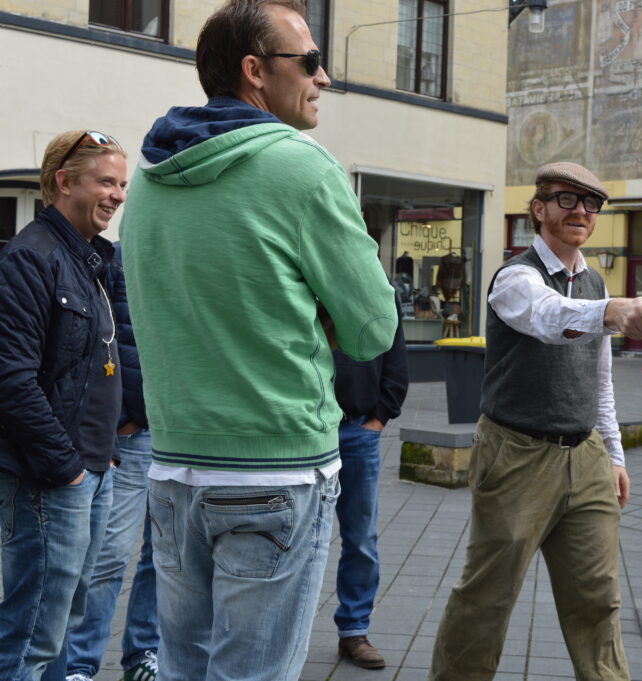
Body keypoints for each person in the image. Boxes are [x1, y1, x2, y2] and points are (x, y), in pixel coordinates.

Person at [118, 1, 399, 679]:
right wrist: (315, 309)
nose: (324, 77)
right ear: (255, 72)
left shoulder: (149, 183)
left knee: (184, 668)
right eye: (309, 61)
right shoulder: (304, 169)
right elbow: (374, 327)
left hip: (175, 468)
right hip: (275, 469)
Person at [429, 161, 642, 681]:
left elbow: (599, 383)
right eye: (566, 199)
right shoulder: (516, 276)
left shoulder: (597, 281)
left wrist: (615, 457)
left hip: (587, 456)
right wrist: (607, 313)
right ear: (538, 209)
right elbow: (548, 317)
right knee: (487, 598)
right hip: (516, 454)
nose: (580, 211)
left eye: (591, 204)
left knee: (598, 601)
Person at [0, 129, 127, 680]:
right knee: (32, 632)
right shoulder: (32, 257)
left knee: (62, 622)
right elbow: (11, 380)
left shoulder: (91, 260)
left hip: (93, 468)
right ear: (64, 182)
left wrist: (103, 457)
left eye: (122, 184)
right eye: (106, 181)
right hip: (53, 478)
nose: (118, 194)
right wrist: (68, 470)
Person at [51, 243, 160, 681]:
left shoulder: (196, 256)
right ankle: (80, 663)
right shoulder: (115, 262)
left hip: (181, 438)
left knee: (164, 559)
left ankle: (142, 655)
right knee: (107, 557)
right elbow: (97, 344)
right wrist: (124, 419)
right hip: (131, 439)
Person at [333, 292, 409, 669]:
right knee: (291, 538)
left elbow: (395, 355)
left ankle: (354, 631)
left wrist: (379, 417)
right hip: (299, 431)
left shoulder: (378, 287)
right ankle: (282, 637)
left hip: (357, 431)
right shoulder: (297, 270)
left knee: (360, 537)